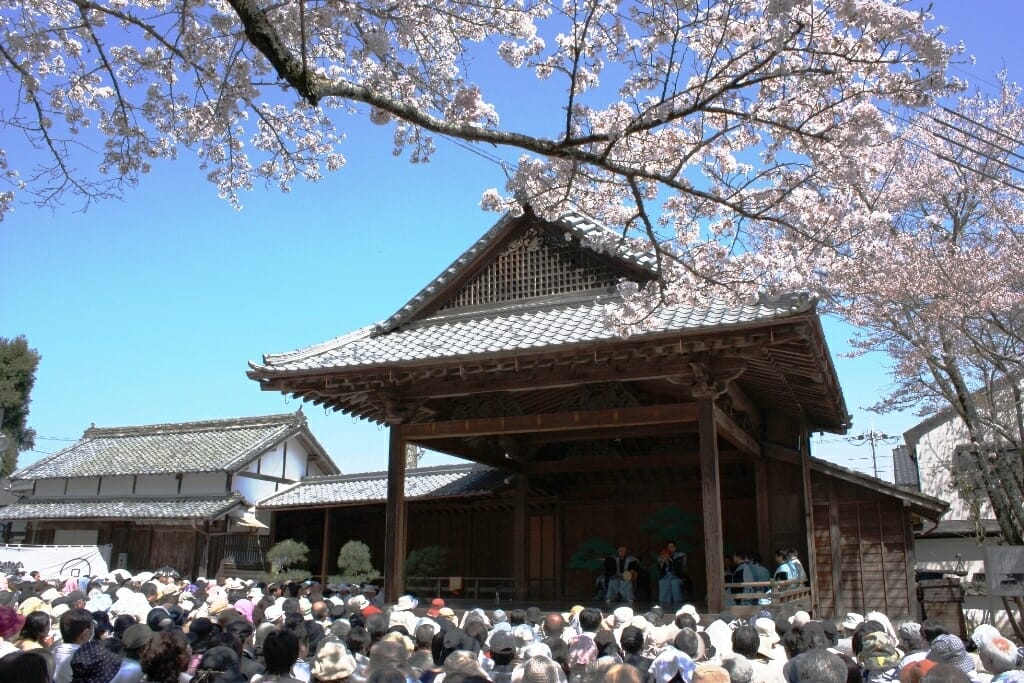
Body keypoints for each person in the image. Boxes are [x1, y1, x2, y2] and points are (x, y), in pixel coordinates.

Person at [658, 543, 687, 608]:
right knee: (662, 582)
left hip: (676, 576)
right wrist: (662, 563)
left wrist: (671, 561)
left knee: (674, 582)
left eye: (672, 546)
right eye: (669, 547)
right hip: (666, 577)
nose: (670, 548)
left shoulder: (679, 556)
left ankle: (677, 602)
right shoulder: (662, 556)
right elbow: (661, 571)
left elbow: (680, 569)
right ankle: (664, 602)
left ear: (675, 548)